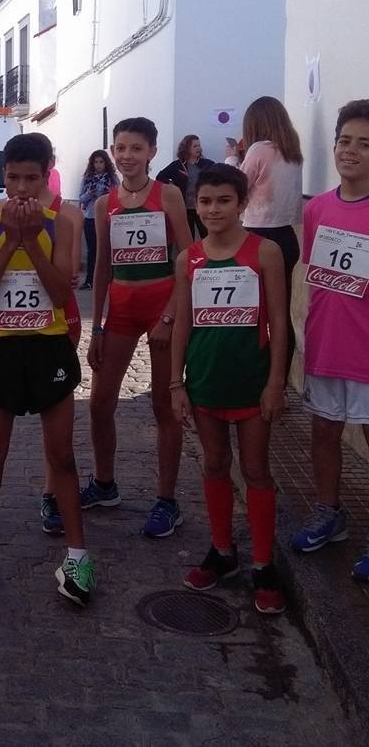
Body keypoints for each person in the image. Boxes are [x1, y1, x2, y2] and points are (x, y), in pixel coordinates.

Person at [0, 134, 94, 604]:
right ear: (3, 176)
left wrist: (32, 238)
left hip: (49, 346)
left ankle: (77, 556)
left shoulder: (65, 221)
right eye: (13, 178)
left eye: (32, 178)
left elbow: (59, 293)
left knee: (62, 455)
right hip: (3, 348)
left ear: (47, 172)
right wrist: (12, 239)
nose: (22, 188)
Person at [170, 164, 288, 615]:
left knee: (256, 471)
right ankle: (222, 551)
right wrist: (175, 383)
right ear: (195, 205)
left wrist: (276, 381)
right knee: (216, 465)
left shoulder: (266, 252)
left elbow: (280, 321)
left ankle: (263, 564)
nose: (213, 209)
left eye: (224, 201)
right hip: (205, 382)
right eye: (205, 201)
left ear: (242, 204)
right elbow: (183, 323)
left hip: (252, 383)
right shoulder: (190, 258)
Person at [84, 118, 193, 537]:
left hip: (162, 304)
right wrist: (96, 328)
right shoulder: (103, 203)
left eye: (135, 148)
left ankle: (167, 500)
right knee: (99, 405)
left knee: (164, 408)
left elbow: (187, 257)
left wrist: (170, 314)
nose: (126, 155)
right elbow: (102, 266)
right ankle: (104, 483)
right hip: (123, 310)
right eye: (119, 148)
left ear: (151, 151)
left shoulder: (167, 195)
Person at [290, 101, 369, 579]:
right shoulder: (316, 207)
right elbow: (314, 274)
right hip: (326, 344)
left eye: (365, 144)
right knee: (324, 433)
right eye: (344, 141)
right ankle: (328, 512)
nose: (351, 152)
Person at [240, 97, 304, 373]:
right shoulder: (293, 153)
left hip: (257, 233)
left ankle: (253, 376)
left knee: (251, 312)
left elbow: (238, 187)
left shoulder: (258, 150)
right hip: (287, 237)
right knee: (281, 314)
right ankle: (279, 380)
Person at [157, 134, 214, 240]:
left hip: (202, 207)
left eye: (199, 146)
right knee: (187, 236)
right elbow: (160, 177)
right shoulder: (177, 165)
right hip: (184, 208)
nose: (199, 148)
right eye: (195, 146)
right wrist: (172, 187)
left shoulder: (208, 164)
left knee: (206, 235)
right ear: (187, 148)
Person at [78, 150, 119, 290]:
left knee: (109, 249)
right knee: (92, 250)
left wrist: (108, 193)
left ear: (106, 163)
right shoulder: (87, 178)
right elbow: (81, 198)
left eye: (101, 162)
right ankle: (90, 280)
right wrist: (89, 193)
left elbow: (119, 196)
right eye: (96, 162)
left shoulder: (112, 178)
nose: (98, 165)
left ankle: (111, 279)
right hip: (90, 216)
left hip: (108, 217)